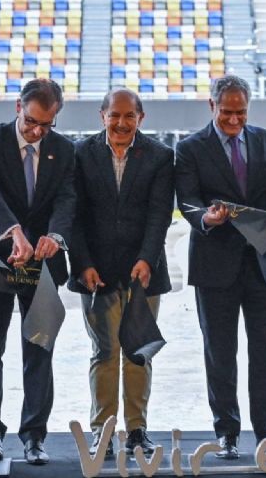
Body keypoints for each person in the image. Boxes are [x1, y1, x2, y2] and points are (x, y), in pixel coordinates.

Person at [175, 75, 266, 459]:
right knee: (220, 353)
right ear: (211, 107)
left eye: (241, 112)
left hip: (263, 262)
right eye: (227, 112)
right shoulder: (190, 147)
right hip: (214, 265)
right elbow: (188, 201)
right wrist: (206, 219)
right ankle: (227, 432)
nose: (234, 120)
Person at [0, 79, 75, 465]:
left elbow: (67, 197)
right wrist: (13, 232)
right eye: (31, 122)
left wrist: (55, 236)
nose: (37, 131)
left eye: (47, 125)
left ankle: (34, 437)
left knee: (39, 348)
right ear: (18, 107)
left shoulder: (63, 150)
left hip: (42, 262)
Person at [67, 89, 174, 456]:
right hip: (95, 273)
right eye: (115, 115)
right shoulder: (80, 154)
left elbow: (160, 215)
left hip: (143, 273)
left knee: (138, 352)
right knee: (104, 350)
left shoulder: (161, 156)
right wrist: (82, 264)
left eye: (130, 116)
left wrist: (147, 259)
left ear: (141, 119)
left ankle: (138, 430)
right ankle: (103, 431)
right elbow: (74, 215)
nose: (121, 123)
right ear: (102, 116)